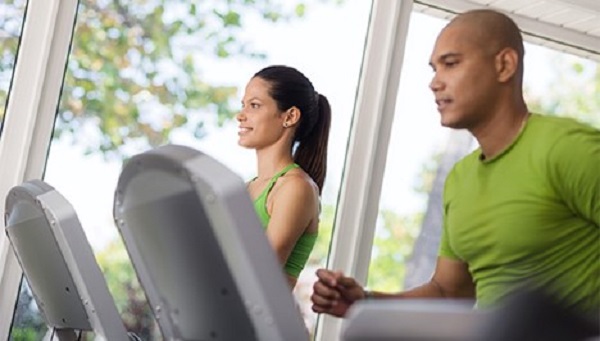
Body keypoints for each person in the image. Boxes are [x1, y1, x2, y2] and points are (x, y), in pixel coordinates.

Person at [311, 9, 599, 319]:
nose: (435, 83)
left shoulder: (568, 148)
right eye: (434, 69)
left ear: (504, 65)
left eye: (451, 64)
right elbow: (450, 292)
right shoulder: (460, 179)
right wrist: (364, 303)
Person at [237, 65, 331, 289]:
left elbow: (258, 274)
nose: (240, 116)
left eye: (254, 105)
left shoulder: (295, 188)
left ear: (289, 116)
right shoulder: (244, 189)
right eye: (243, 105)